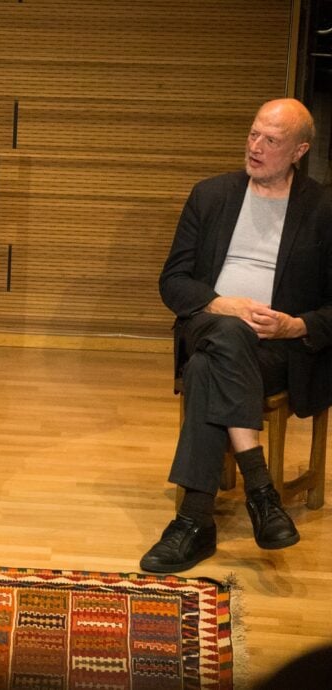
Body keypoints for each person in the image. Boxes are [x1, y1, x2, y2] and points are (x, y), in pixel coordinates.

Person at [141, 98, 332, 573]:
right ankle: (261, 492)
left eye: (272, 140)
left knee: (209, 368)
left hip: (277, 346)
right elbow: (173, 281)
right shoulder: (210, 195)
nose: (256, 147)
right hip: (210, 324)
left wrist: (296, 324)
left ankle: (193, 522)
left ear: (299, 150)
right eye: (253, 135)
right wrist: (222, 304)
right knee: (227, 333)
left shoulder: (324, 207)